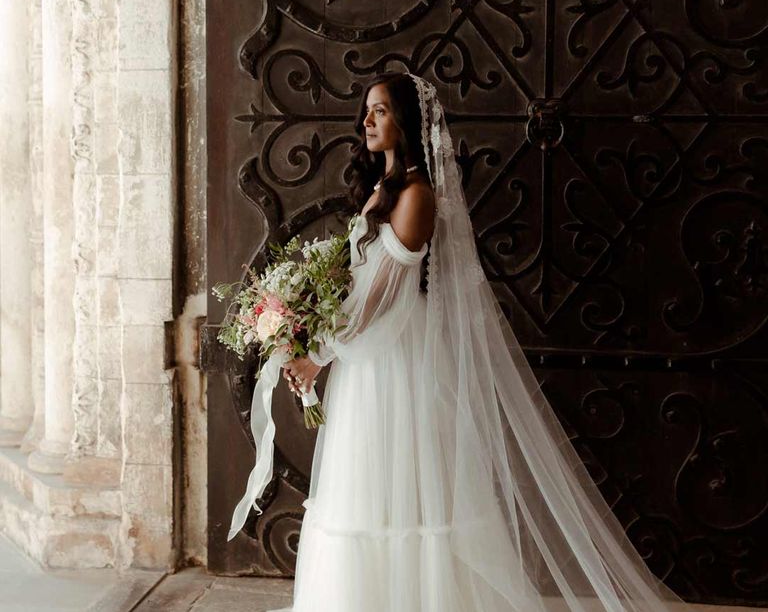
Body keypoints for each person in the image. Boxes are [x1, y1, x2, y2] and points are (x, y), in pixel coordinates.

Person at [235, 72, 694, 611]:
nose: (366, 121)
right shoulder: (384, 189)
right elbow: (352, 281)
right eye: (367, 110)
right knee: (362, 497)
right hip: (367, 362)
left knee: (403, 496)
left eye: (380, 111)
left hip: (397, 364)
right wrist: (303, 321)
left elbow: (383, 296)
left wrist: (317, 355)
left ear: (405, 119)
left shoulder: (416, 197)